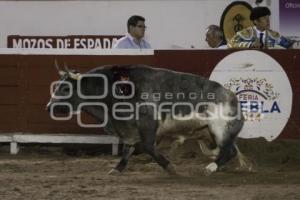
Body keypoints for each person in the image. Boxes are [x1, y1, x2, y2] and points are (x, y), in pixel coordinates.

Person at [228, 7, 294, 49]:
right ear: (255, 21)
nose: (268, 21)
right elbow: (230, 44)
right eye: (264, 18)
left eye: (268, 18)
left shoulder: (274, 35)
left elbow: (290, 45)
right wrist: (250, 45)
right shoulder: (245, 33)